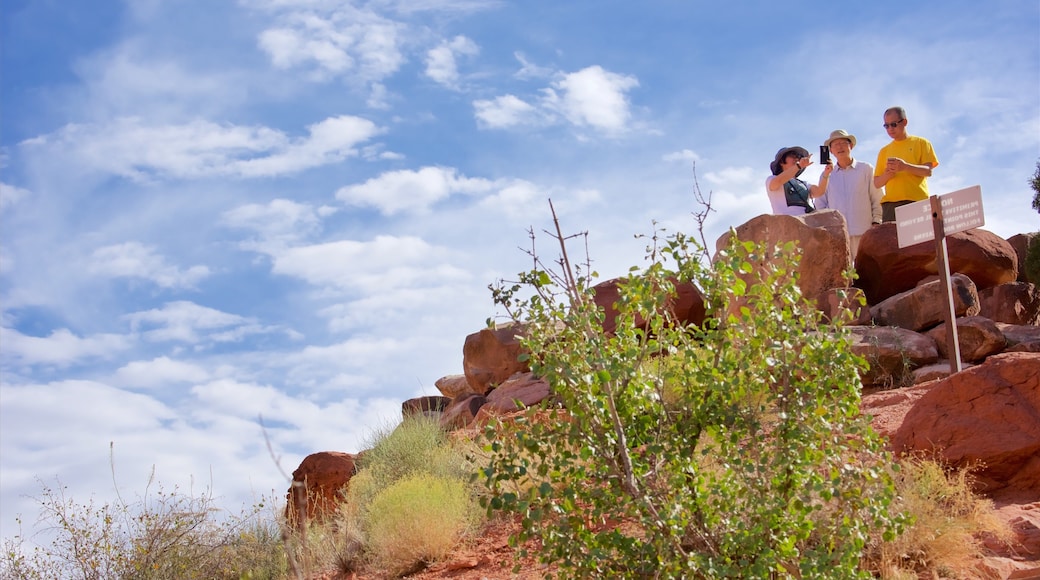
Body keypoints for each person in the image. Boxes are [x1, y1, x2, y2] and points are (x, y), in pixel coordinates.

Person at [816, 129, 883, 257]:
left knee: (867, 272)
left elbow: (877, 196)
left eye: (843, 143)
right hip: (838, 236)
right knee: (844, 275)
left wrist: (877, 221)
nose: (839, 147)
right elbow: (820, 204)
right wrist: (830, 227)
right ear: (830, 150)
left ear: (850, 146)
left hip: (864, 231)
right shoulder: (826, 175)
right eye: (835, 144)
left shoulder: (866, 169)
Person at [873, 106, 939, 222]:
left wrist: (904, 167)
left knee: (919, 239)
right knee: (891, 240)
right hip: (890, 206)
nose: (890, 129)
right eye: (886, 126)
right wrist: (887, 175)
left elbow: (928, 171)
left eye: (893, 124)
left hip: (916, 202)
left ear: (904, 122)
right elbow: (877, 183)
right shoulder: (884, 151)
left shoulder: (921, 143)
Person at [766, 146, 832, 216]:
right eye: (792, 156)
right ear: (781, 161)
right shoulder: (771, 179)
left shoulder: (804, 183)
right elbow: (777, 182)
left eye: (798, 156)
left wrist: (826, 173)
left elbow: (819, 192)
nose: (797, 159)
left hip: (805, 222)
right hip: (785, 223)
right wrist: (798, 166)